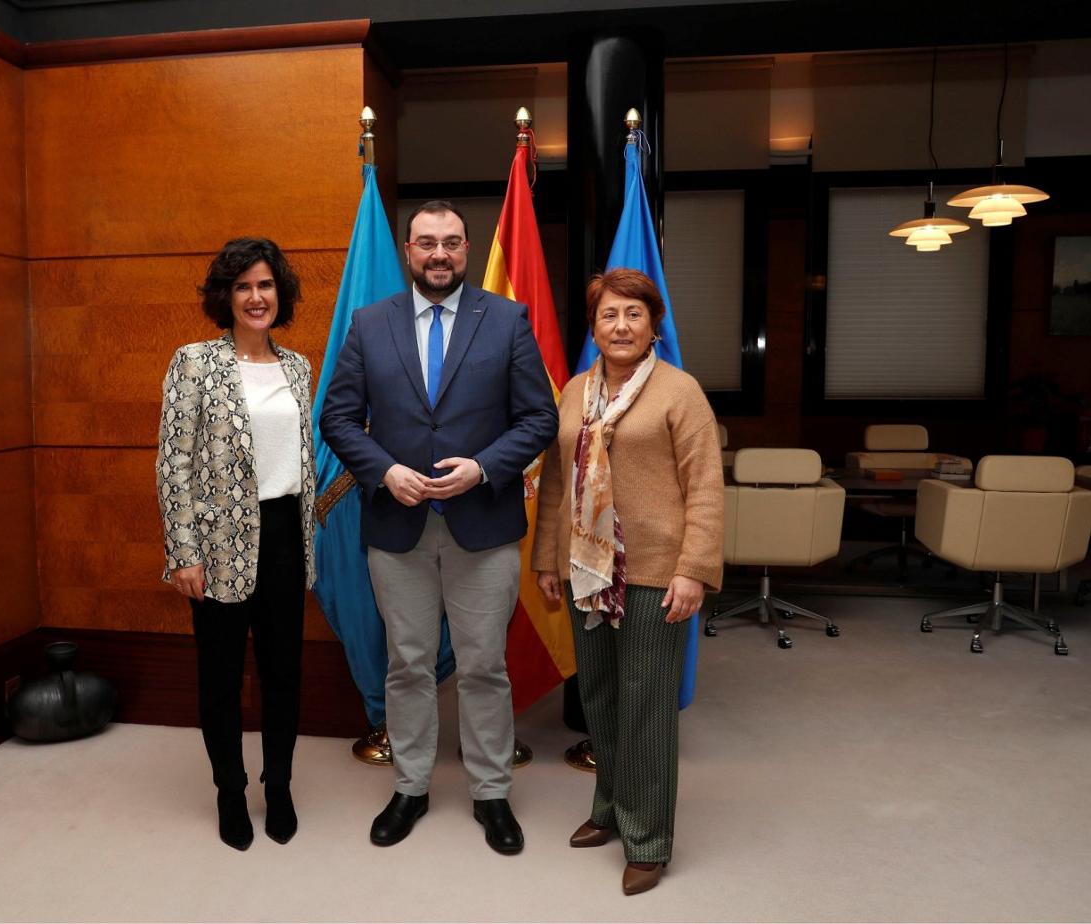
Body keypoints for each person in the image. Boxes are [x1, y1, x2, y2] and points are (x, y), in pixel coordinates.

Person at [320, 200, 558, 855]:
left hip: (483, 526)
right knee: (409, 664)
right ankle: (411, 786)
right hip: (397, 528)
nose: (440, 254)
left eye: (452, 242)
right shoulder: (370, 325)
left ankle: (491, 793)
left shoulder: (506, 319)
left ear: (466, 247)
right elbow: (338, 419)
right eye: (427, 242)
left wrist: (483, 469)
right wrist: (384, 471)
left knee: (484, 666)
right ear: (407, 250)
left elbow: (539, 419)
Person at [532, 267, 724, 895]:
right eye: (609, 315)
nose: (621, 326)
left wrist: (693, 570)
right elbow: (557, 482)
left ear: (654, 326)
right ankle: (609, 809)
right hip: (588, 569)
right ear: (594, 327)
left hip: (654, 574)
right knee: (603, 698)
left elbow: (705, 490)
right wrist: (547, 558)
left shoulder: (679, 391)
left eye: (633, 315)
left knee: (645, 704)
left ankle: (648, 838)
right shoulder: (574, 392)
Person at [156, 237, 317, 851]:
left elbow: (299, 462)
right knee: (221, 679)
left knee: (284, 675)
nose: (257, 297)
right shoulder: (194, 362)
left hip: (284, 538)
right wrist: (184, 550)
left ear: (282, 294)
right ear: (226, 296)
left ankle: (278, 787)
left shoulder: (298, 367)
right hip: (217, 545)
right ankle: (230, 791)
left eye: (267, 285)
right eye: (244, 286)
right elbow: (174, 462)